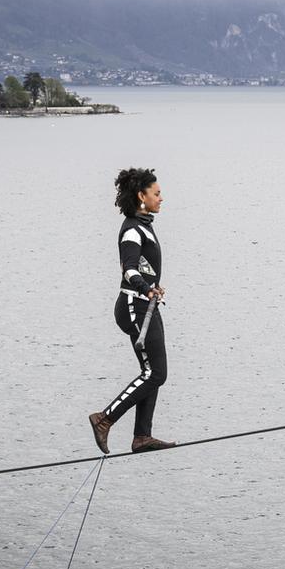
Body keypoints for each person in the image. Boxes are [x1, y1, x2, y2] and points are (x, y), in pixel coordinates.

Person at [89, 167, 178, 454]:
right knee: (155, 374)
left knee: (154, 372)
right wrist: (145, 287)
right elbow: (128, 269)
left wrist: (153, 284)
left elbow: (142, 266)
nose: (161, 198)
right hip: (134, 306)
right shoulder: (131, 230)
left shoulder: (143, 225)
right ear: (142, 196)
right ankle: (105, 418)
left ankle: (142, 436)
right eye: (157, 193)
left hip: (147, 305)